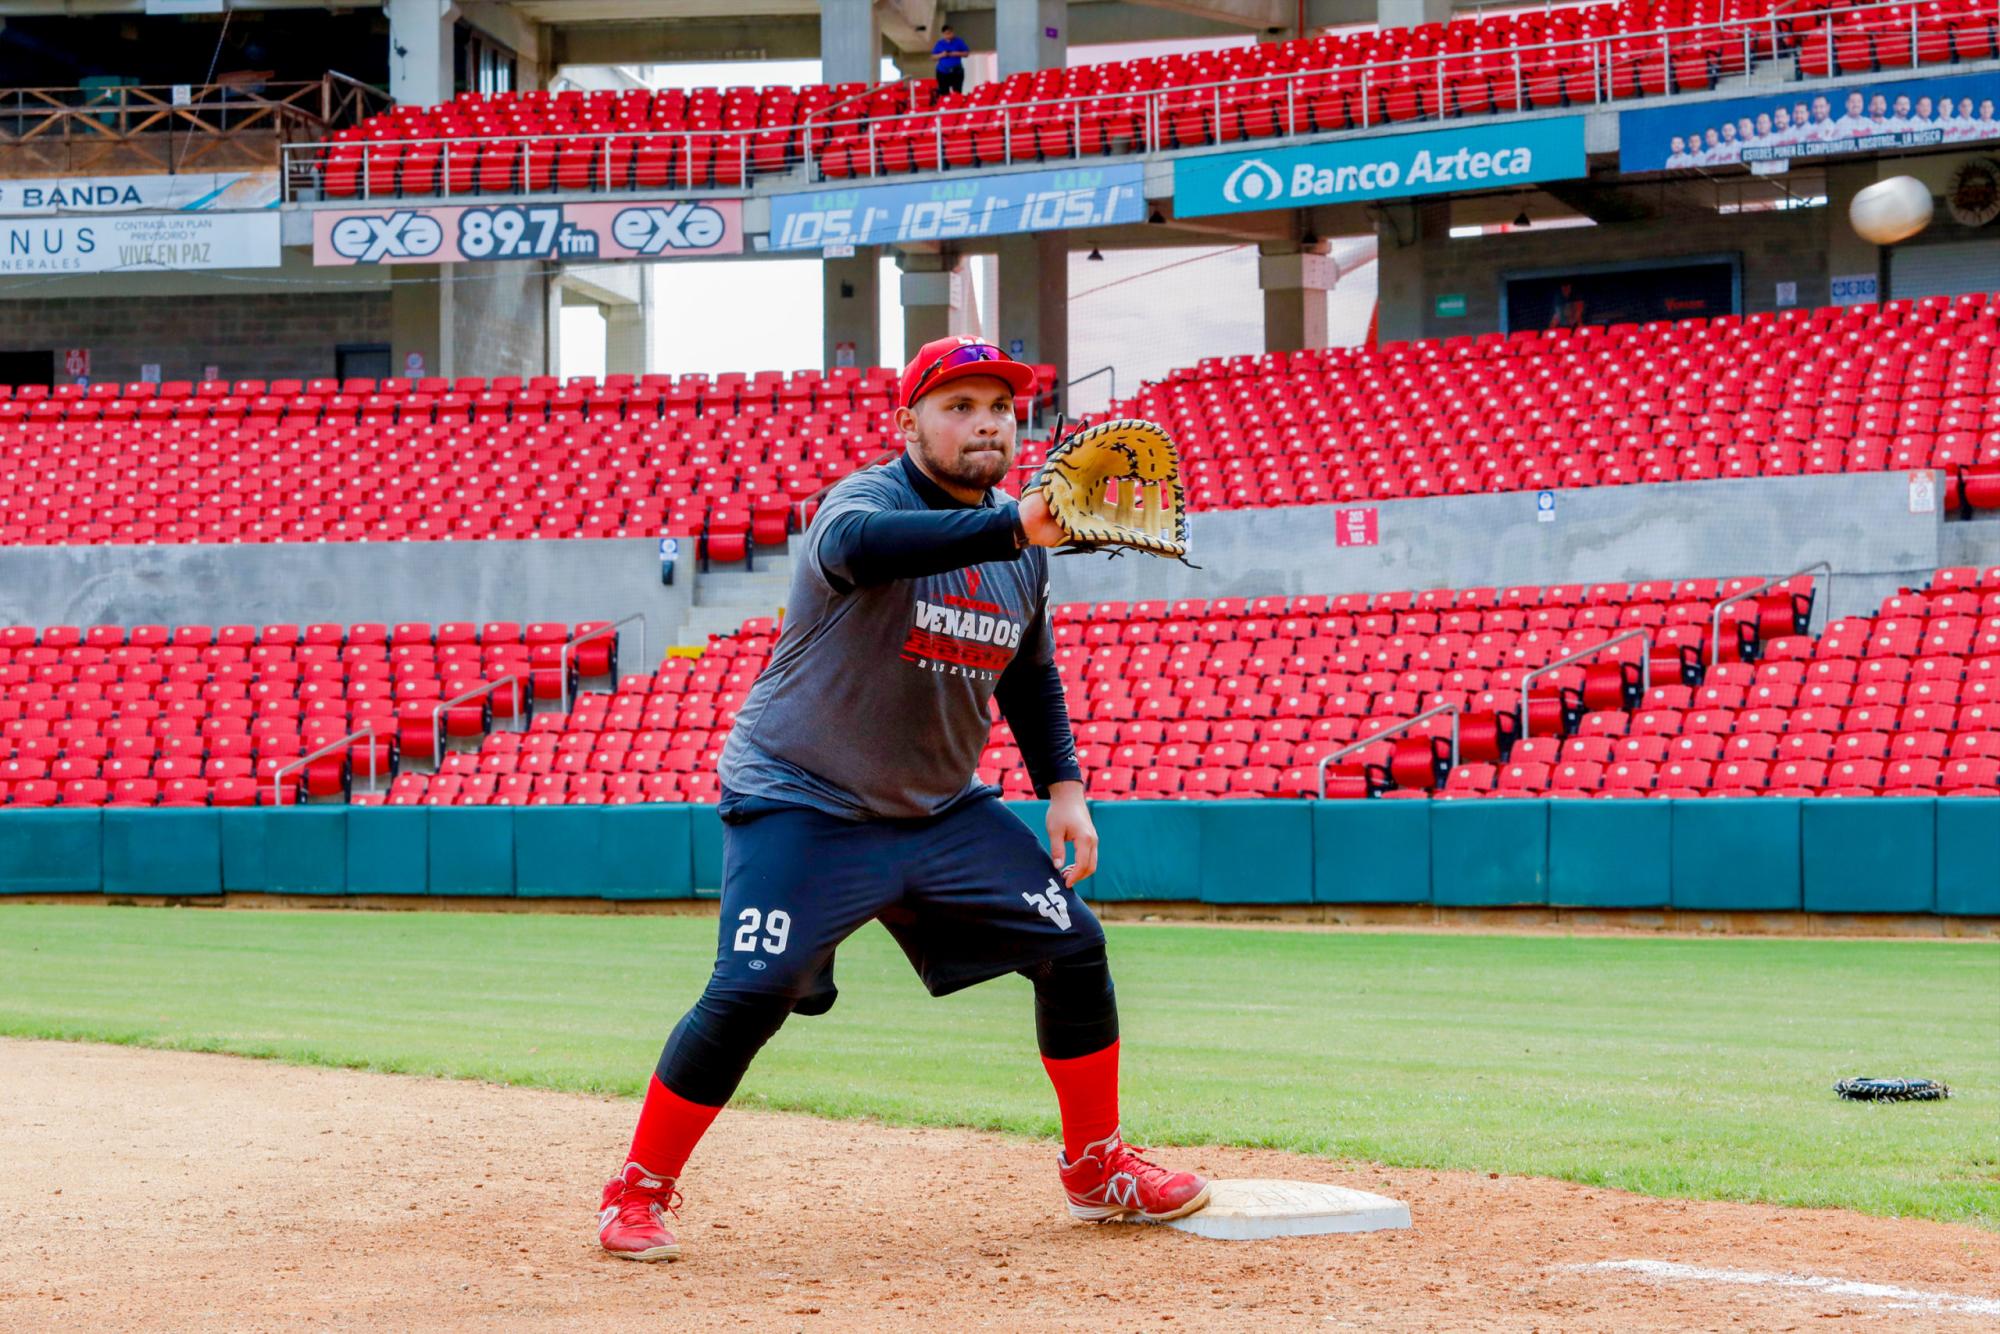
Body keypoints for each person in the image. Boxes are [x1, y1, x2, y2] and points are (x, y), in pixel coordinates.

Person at [594, 337, 1212, 1263]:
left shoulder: (1020, 551)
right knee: (752, 988)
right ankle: (636, 1191)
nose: (985, 421)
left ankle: (1094, 1167)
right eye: (958, 404)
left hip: (935, 810)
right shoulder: (867, 502)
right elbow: (858, 549)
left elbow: (1029, 677)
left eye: (999, 405)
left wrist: (1066, 790)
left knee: (1076, 948)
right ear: (909, 424)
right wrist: (1021, 527)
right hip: (803, 799)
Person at [932, 24, 970, 97]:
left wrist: (955, 53)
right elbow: (933, 57)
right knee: (944, 93)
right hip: (942, 72)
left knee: (957, 92)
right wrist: (942, 54)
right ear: (943, 34)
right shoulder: (939, 43)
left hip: (957, 71)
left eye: (950, 33)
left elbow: (966, 53)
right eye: (947, 33)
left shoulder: (959, 41)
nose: (949, 35)